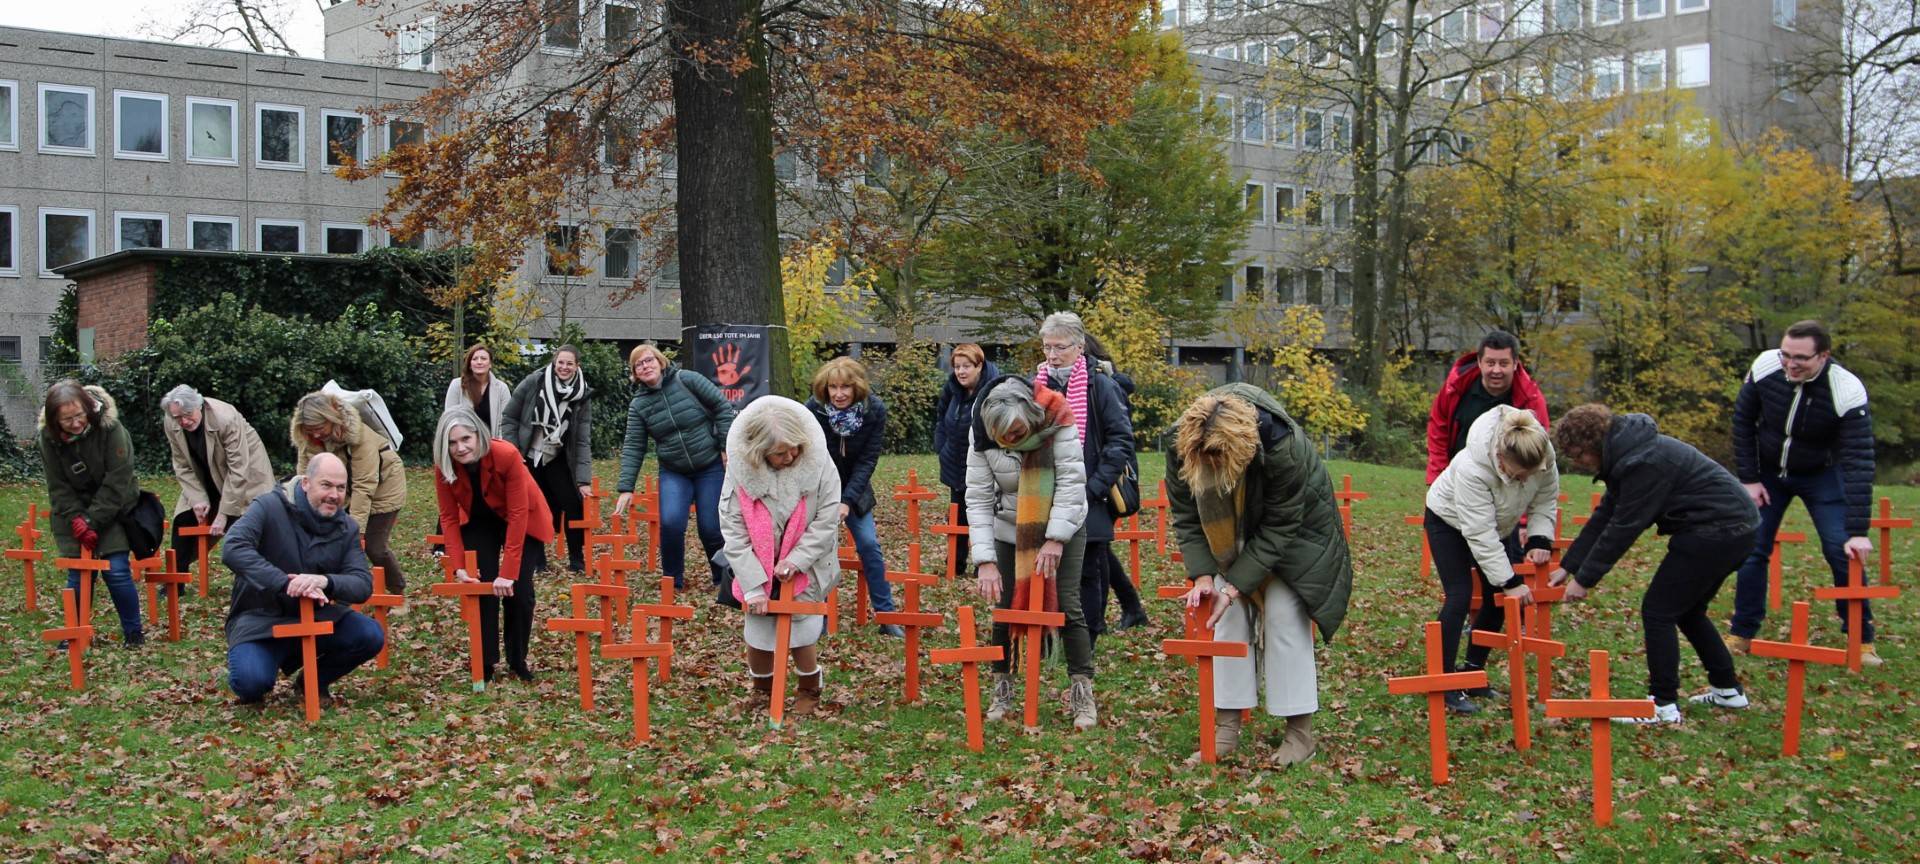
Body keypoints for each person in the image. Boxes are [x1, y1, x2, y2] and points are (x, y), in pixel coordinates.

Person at [1165, 384, 1353, 765]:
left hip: (1300, 537)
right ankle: (1226, 728)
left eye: (1221, 458)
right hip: (1228, 536)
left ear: (1243, 449)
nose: (1213, 467)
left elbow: (1283, 525)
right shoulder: (1181, 443)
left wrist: (1234, 585)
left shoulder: (1283, 447)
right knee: (1227, 618)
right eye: (1207, 460)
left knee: (1285, 615)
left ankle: (1300, 733)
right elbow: (1186, 516)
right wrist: (1204, 577)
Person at [1549, 404, 1760, 724]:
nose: (1579, 463)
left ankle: (1661, 704)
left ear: (1594, 443)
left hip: (1718, 531)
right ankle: (1727, 690)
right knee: (1687, 610)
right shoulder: (1627, 456)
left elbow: (1624, 527)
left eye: (1579, 455)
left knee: (1658, 610)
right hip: (1733, 528)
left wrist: (1585, 580)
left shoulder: (1643, 463)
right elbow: (1606, 514)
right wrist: (1569, 565)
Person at [1726, 320, 1881, 664]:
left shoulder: (1846, 390)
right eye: (1786, 355)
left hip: (1821, 474)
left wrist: (1858, 531)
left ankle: (1861, 639)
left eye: (1801, 358)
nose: (1791, 364)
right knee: (1752, 548)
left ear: (1823, 355)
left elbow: (1859, 461)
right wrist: (1749, 479)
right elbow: (1742, 421)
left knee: (1841, 550)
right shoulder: (1766, 365)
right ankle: (1742, 632)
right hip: (1767, 473)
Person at [965, 375, 1097, 729]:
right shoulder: (980, 430)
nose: (1013, 441)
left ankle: (1082, 693)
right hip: (1009, 527)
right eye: (1005, 437)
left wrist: (1055, 538)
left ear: (1033, 416)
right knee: (1004, 607)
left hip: (1063, 523)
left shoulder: (1058, 416)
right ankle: (1003, 688)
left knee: (1067, 605)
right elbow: (977, 497)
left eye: (1020, 432)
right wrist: (986, 560)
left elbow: (1072, 482)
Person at [1423, 406, 1559, 715]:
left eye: (1527, 476)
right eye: (1516, 475)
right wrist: (1511, 581)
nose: (1522, 480)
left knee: (1496, 599)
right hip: (1449, 520)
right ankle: (1444, 683)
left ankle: (1473, 673)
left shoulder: (1541, 457)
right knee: (1458, 595)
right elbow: (1480, 533)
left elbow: (1546, 497)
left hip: (1499, 523)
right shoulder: (1474, 467)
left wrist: (1539, 537)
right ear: (1499, 459)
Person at [221, 453, 384, 705]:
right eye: (326, 485)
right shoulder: (267, 506)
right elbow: (233, 547)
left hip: (315, 617)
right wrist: (285, 583)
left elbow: (362, 583)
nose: (334, 495)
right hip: (260, 620)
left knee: (370, 635)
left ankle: (312, 682)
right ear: (306, 483)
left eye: (341, 488)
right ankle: (256, 669)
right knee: (250, 683)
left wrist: (325, 582)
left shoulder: (347, 527)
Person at [719, 395, 842, 716]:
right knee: (758, 633)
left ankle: (809, 688)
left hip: (807, 564)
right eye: (779, 453)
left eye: (794, 449)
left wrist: (796, 560)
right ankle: (762, 690)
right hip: (757, 565)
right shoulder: (740, 471)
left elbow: (826, 519)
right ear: (759, 452)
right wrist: (753, 584)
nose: (790, 456)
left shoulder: (820, 465)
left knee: (801, 630)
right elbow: (733, 527)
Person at [1033, 312, 1140, 646]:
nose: (1052, 355)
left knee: (1087, 571)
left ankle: (1087, 638)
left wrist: (1094, 487)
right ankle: (1049, 636)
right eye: (1047, 347)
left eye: (1060, 347)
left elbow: (1120, 441)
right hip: (1045, 490)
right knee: (1046, 570)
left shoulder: (1101, 386)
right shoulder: (1033, 385)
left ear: (1079, 347)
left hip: (1089, 492)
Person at [433, 406, 553, 682]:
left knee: (519, 589)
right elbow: (448, 517)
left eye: (466, 439)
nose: (460, 448)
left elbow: (518, 514)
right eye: (452, 443)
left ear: (478, 434)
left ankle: (517, 659)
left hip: (523, 517)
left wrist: (508, 572)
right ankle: (485, 662)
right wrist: (458, 565)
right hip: (480, 519)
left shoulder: (506, 454)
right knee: (482, 584)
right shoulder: (444, 465)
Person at [613, 344, 735, 601]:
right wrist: (626, 488)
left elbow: (722, 408)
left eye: (649, 360)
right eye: (639, 364)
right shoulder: (639, 405)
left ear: (660, 362)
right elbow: (634, 446)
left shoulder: (687, 380)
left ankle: (722, 579)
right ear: (635, 373)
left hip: (709, 465)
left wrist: (725, 447)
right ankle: (673, 581)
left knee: (711, 527)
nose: (645, 366)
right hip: (674, 471)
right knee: (670, 522)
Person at [39, 380, 144, 648]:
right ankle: (73, 632)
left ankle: (133, 633)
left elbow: (118, 478)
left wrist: (92, 520)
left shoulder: (111, 428)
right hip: (74, 513)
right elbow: (58, 485)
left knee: (117, 569)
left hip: (113, 508)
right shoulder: (48, 440)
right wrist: (77, 518)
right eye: (66, 420)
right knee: (78, 574)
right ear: (54, 421)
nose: (75, 424)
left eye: (78, 416)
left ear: (88, 408)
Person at [806, 357, 902, 636]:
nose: (839, 394)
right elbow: (811, 456)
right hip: (818, 487)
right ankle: (819, 619)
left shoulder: (875, 411)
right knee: (819, 550)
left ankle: (887, 617)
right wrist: (829, 499)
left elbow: (868, 460)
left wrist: (846, 501)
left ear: (856, 387)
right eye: (833, 387)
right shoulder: (812, 410)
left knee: (870, 546)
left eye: (845, 387)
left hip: (855, 491)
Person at [291, 391, 409, 591]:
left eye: (319, 428)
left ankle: (397, 591)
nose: (316, 434)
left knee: (374, 546)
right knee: (331, 541)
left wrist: (358, 530)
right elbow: (305, 477)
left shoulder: (361, 438)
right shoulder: (310, 440)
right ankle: (337, 592)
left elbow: (364, 485)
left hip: (384, 488)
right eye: (310, 430)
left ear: (332, 418)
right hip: (344, 490)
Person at [158, 385, 274, 574]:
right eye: (178, 417)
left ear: (199, 405)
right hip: (205, 475)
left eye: (188, 414)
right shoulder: (171, 421)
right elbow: (181, 464)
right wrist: (197, 498)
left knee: (244, 525)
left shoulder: (225, 418)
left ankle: (256, 577)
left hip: (246, 474)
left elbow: (238, 468)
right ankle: (175, 580)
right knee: (183, 520)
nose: (184, 421)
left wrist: (223, 513)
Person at [499, 344, 593, 573]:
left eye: (569, 363)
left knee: (572, 503)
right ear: (554, 362)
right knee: (532, 506)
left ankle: (576, 560)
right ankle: (538, 561)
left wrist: (583, 480)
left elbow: (582, 438)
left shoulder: (582, 394)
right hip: (529, 455)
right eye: (560, 362)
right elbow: (509, 417)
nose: (564, 367)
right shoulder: (534, 382)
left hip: (558, 455)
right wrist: (513, 453)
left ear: (576, 366)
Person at [1080, 331, 1151, 632]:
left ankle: (1105, 616)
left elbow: (1118, 437)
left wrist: (1099, 479)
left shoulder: (1104, 385)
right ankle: (1130, 607)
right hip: (1094, 476)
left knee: (1096, 549)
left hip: (1106, 480)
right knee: (1097, 549)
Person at [1425, 330, 1550, 483]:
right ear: (1479, 362)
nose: (1496, 370)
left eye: (1504, 364)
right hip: (1455, 478)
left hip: (1506, 486)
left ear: (1515, 363)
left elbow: (1538, 450)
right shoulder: (1455, 388)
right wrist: (1437, 478)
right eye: (1490, 363)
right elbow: (1438, 431)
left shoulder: (1531, 400)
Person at [933, 343, 998, 572]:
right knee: (957, 513)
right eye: (957, 367)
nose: (961, 372)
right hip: (955, 461)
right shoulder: (952, 390)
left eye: (966, 366)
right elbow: (941, 418)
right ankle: (955, 563)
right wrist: (941, 447)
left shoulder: (992, 391)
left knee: (984, 514)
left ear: (979, 366)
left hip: (984, 463)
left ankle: (988, 562)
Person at [444, 343, 512, 435]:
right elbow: (450, 419)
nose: (479, 362)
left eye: (483, 359)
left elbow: (505, 422)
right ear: (469, 365)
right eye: (475, 359)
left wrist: (499, 446)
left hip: (493, 444)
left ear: (490, 364)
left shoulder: (502, 389)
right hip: (465, 445)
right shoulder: (457, 385)